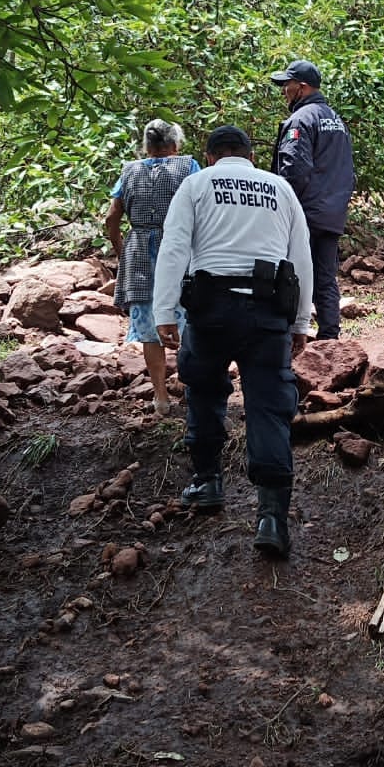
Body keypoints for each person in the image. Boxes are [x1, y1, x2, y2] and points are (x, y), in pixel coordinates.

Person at [153, 125, 313, 558]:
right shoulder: (278, 188)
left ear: (209, 157)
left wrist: (164, 311)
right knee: (269, 407)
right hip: (267, 314)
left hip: (211, 312)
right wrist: (301, 320)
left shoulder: (197, 184)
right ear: (251, 157)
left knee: (204, 393)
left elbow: (174, 248)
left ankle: (207, 483)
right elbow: (301, 257)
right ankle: (271, 519)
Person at [103, 119, 199, 417]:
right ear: (175, 144)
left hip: (140, 250)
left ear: (146, 146)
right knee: (188, 318)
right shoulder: (188, 166)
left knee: (148, 326)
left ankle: (160, 397)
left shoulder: (129, 171)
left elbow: (111, 219)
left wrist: (123, 251)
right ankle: (193, 390)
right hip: (179, 247)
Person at [269, 59, 355, 341]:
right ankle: (330, 336)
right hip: (332, 212)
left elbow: (294, 169)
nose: (284, 91)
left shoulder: (300, 120)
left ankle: (290, 336)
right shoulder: (335, 119)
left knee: (291, 274)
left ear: (302, 87)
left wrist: (283, 208)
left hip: (305, 212)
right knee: (325, 277)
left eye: (287, 85)